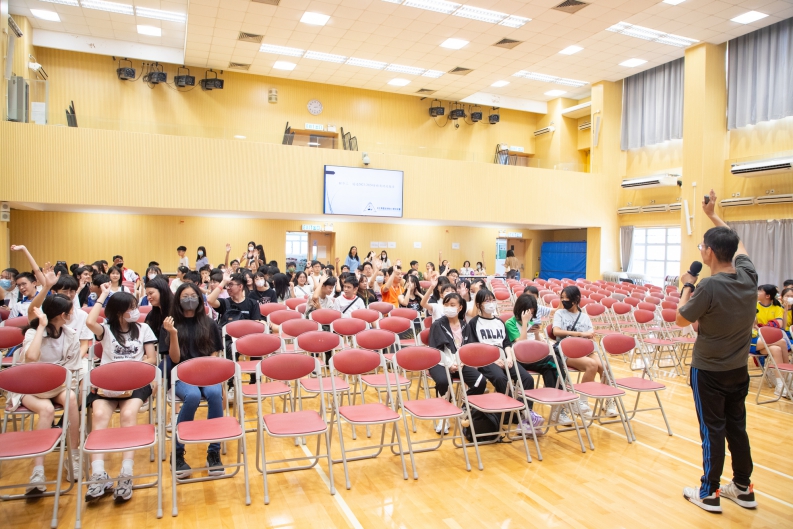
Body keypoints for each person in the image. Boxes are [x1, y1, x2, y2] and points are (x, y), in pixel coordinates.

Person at [677, 189, 758, 513]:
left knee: (712, 430)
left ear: (709, 252)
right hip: (738, 370)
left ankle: (709, 492)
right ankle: (743, 487)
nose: (701, 250)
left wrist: (687, 284)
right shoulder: (749, 277)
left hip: (709, 372)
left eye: (702, 246)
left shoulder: (709, 285)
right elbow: (739, 245)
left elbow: (681, 318)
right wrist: (712, 215)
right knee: (736, 427)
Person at [84, 287, 157, 502]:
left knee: (128, 415)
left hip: (135, 382)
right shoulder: (106, 330)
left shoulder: (143, 328)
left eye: (135, 307)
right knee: (99, 416)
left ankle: (126, 472)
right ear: (118, 312)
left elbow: (152, 358)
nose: (135, 311)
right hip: (107, 385)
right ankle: (99, 474)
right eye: (131, 308)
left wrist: (133, 368)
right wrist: (103, 296)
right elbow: (89, 322)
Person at [7, 289, 82, 493]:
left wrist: (54, 380)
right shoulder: (33, 332)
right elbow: (31, 358)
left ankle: (73, 456)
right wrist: (40, 327)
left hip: (57, 385)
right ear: (61, 315)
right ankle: (37, 470)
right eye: (70, 311)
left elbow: (72, 368)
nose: (72, 314)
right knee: (47, 410)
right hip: (29, 386)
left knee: (72, 398)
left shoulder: (70, 334)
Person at [162, 284, 226, 478]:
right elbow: (174, 359)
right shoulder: (170, 324)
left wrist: (210, 372)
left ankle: (213, 452)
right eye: (185, 296)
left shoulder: (209, 323)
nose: (189, 299)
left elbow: (215, 353)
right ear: (178, 299)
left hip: (206, 374)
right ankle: (177, 453)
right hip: (181, 375)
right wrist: (173, 333)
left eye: (193, 295)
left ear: (199, 299)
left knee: (215, 393)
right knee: (193, 396)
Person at [464, 289, 543, 434]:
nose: (491, 303)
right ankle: (515, 413)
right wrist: (494, 360)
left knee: (527, 379)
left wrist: (509, 358)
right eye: (487, 300)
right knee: (501, 379)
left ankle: (524, 417)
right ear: (479, 305)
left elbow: (506, 343)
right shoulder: (474, 323)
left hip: (505, 357)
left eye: (492, 300)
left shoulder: (499, 322)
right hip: (486, 360)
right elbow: (475, 347)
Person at [552, 285, 616, 423]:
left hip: (585, 349)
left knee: (605, 366)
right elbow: (556, 331)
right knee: (591, 365)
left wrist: (588, 338)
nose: (563, 301)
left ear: (576, 299)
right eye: (561, 298)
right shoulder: (560, 313)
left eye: (566, 298)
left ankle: (608, 401)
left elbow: (590, 335)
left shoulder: (584, 316)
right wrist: (580, 334)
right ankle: (582, 402)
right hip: (567, 350)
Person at [427, 292, 486, 434]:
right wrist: (449, 364)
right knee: (443, 381)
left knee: (480, 381)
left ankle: (465, 407)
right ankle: (443, 417)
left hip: (460, 363)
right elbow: (435, 350)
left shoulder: (465, 325)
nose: (449, 307)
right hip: (440, 362)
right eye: (446, 305)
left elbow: (469, 348)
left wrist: (462, 362)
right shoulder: (438, 325)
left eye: (452, 305)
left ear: (460, 308)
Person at [505, 294, 559, 390]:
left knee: (553, 364)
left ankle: (555, 392)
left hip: (533, 356)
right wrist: (524, 323)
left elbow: (538, 343)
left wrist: (537, 333)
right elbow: (521, 344)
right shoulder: (510, 323)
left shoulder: (531, 322)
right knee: (551, 362)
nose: (530, 315)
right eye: (528, 312)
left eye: (532, 312)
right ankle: (558, 390)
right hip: (519, 358)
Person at [754, 284, 789, 395]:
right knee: (782, 342)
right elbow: (753, 326)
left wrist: (761, 327)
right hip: (752, 340)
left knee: (776, 349)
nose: (757, 293)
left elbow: (779, 324)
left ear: (768, 295)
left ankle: (780, 384)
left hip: (765, 341)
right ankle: (788, 375)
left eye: (759, 291)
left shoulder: (777, 307)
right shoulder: (753, 305)